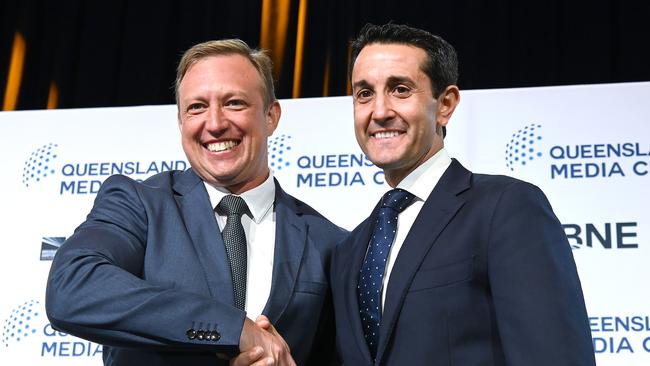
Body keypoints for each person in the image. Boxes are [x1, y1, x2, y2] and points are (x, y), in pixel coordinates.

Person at [46, 39, 346, 366]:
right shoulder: (139, 205)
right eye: (197, 107)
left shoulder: (329, 241)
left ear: (271, 116)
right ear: (180, 122)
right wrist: (235, 329)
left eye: (234, 103)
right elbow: (72, 286)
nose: (215, 124)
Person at [330, 23, 596, 365]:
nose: (379, 111)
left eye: (399, 89)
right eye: (364, 93)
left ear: (446, 104)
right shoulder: (348, 252)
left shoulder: (506, 208)